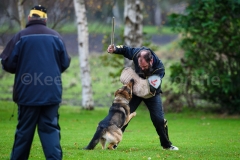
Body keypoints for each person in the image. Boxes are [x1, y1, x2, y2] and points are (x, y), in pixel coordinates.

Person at [0, 5, 71, 159]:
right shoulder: (56, 37)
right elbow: (65, 63)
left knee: (24, 132)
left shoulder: (20, 37)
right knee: (51, 130)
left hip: (27, 94)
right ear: (45, 19)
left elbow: (8, 63)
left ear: (29, 18)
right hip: (51, 93)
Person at [107, 44, 179, 150]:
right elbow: (126, 49)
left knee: (158, 120)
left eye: (144, 67)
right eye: (140, 66)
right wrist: (115, 49)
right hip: (136, 91)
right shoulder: (137, 53)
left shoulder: (159, 68)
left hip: (151, 93)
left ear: (150, 61)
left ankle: (167, 145)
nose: (142, 68)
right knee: (124, 115)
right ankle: (114, 142)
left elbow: (153, 87)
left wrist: (141, 83)